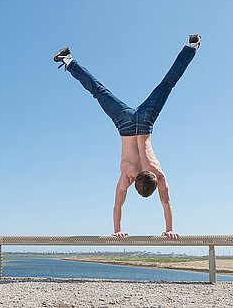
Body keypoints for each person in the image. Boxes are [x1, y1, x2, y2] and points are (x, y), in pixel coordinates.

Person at [53, 35, 201, 239]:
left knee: (167, 84)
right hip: (125, 124)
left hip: (146, 121)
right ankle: (69, 61)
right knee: (99, 91)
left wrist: (170, 229)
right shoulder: (128, 175)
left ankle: (192, 46)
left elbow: (166, 202)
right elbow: (118, 204)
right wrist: (117, 231)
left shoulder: (157, 174)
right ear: (136, 182)